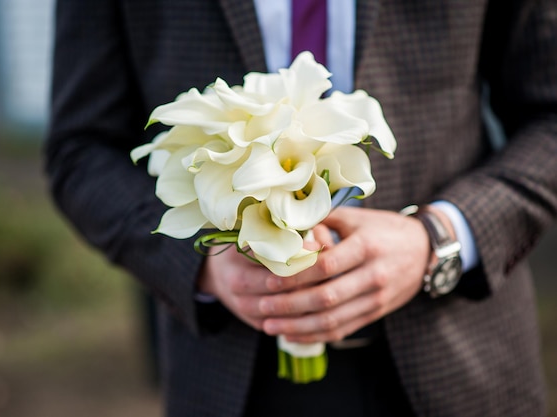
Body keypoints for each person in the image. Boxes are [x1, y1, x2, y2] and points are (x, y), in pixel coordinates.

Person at [44, 1, 557, 416]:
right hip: (231, 378)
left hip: (460, 363)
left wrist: (439, 238)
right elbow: (80, 150)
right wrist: (201, 265)